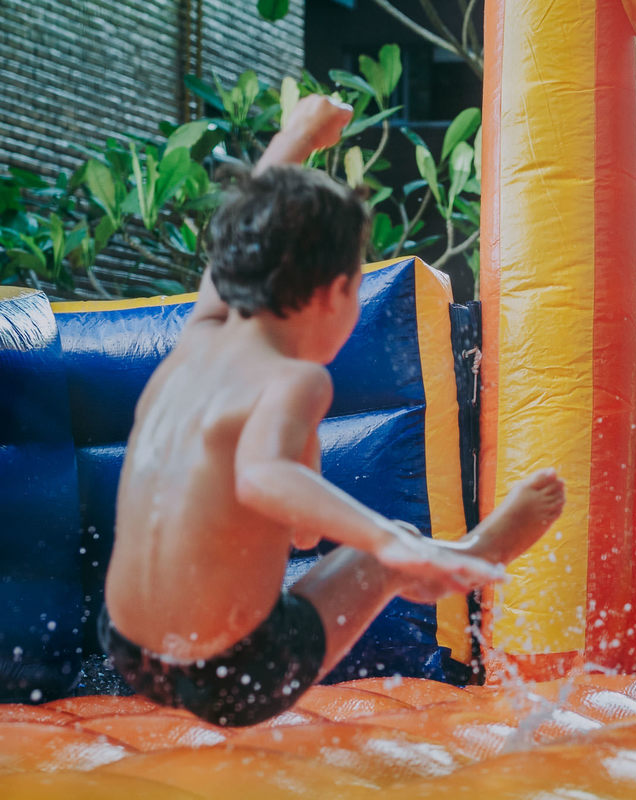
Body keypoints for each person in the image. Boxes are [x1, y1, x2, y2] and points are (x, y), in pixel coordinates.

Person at [100, 95, 566, 727]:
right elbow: (261, 475)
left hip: (127, 647)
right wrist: (386, 541)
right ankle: (464, 556)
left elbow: (238, 237)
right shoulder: (294, 379)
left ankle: (389, 543)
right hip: (235, 673)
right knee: (385, 552)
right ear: (337, 293)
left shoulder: (199, 337)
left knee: (287, 485)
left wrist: (299, 133)